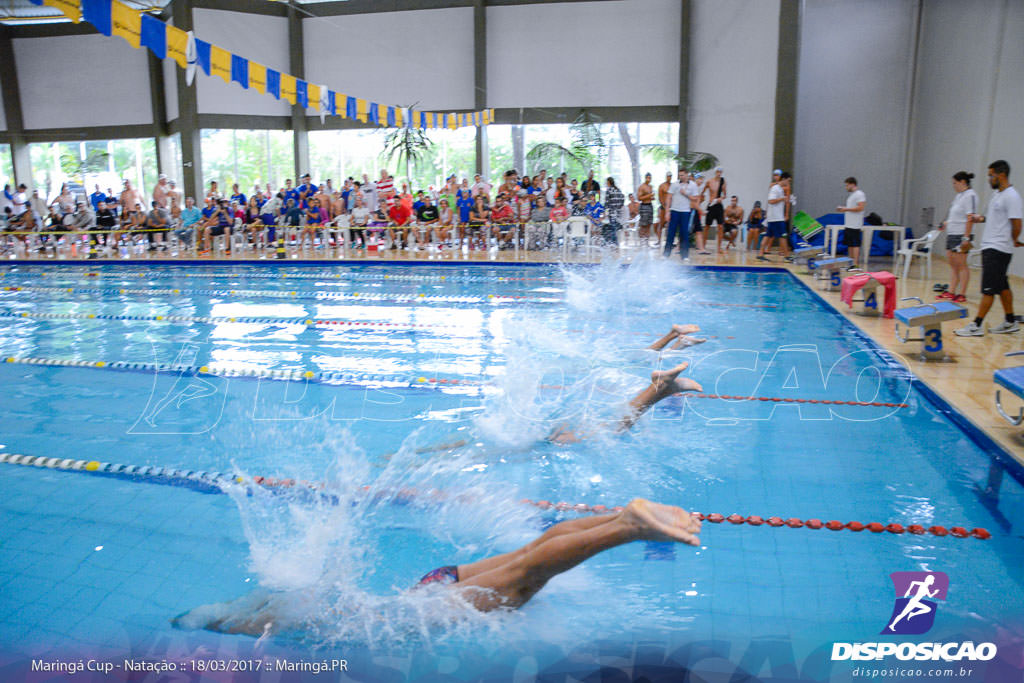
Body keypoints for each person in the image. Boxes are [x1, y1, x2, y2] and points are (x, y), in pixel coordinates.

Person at [172, 497, 701, 636]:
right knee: (523, 557)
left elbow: (240, 624)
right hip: (430, 585)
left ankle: (627, 526)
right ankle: (617, 517)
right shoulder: (275, 599)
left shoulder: (258, 623)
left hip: (424, 610)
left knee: (526, 577)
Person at [955, 160, 1023, 337]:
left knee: (989, 289)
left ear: (1001, 175)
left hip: (998, 248)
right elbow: (995, 218)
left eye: (991, 175)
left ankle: (977, 325)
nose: (989, 179)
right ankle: (1010, 321)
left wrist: (1015, 239)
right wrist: (980, 219)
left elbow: (1017, 222)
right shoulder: (997, 195)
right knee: (1002, 286)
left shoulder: (1012, 196)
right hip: (990, 245)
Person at [938, 171, 978, 303]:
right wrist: (946, 223)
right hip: (952, 233)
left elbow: (969, 217)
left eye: (955, 183)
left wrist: (966, 238)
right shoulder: (959, 196)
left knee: (961, 264)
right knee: (953, 263)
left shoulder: (970, 195)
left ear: (962, 182)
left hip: (961, 235)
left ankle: (962, 293)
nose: (953, 186)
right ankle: (951, 291)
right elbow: (955, 216)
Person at [664, 169, 696, 261]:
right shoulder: (675, 184)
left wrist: (686, 194)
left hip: (685, 212)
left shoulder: (692, 185)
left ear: (687, 174)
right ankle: (666, 254)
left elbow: (695, 198)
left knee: (684, 233)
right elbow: (669, 197)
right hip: (674, 211)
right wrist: (667, 211)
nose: (680, 177)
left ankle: (685, 255)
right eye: (679, 175)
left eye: (682, 175)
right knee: (671, 233)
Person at [758, 171, 791, 262]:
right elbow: (771, 201)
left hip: (774, 217)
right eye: (788, 181)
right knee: (783, 235)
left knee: (768, 235)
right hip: (776, 218)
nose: (788, 183)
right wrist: (782, 199)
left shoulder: (780, 189)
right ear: (783, 179)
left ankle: (760, 254)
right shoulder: (775, 188)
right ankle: (787, 256)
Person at [836, 176, 866, 269]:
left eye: (847, 185)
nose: (846, 187)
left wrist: (846, 209)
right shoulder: (852, 195)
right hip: (849, 223)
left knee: (855, 244)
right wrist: (844, 209)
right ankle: (851, 263)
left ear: (852, 184)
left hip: (855, 224)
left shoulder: (859, 194)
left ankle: (856, 263)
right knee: (850, 244)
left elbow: (861, 207)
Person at [703, 168, 727, 252]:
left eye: (720, 172)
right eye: (718, 172)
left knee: (720, 226)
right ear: (715, 172)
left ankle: (719, 247)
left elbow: (725, 195)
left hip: (718, 205)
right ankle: (703, 245)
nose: (719, 173)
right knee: (707, 226)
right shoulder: (709, 181)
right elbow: (702, 191)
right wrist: (702, 198)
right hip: (711, 205)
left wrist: (721, 198)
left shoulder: (723, 181)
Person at [603, 178, 625, 246]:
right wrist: (618, 207)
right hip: (618, 213)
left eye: (607, 182)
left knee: (612, 229)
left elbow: (606, 203)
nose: (606, 184)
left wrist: (604, 211)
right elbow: (622, 200)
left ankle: (615, 244)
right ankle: (615, 244)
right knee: (614, 228)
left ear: (609, 182)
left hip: (612, 212)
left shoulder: (609, 190)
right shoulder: (618, 190)